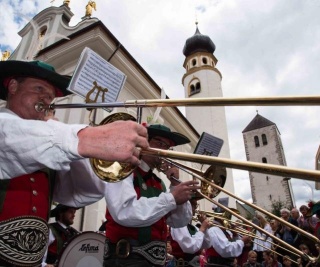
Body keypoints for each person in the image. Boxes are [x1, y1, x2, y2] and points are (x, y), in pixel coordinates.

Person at [0, 60, 149, 266]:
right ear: (13, 86)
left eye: (51, 97)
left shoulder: (47, 141)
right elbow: (10, 135)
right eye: (39, 89)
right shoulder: (6, 125)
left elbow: (85, 190)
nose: (47, 99)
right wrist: (91, 137)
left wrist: (108, 154)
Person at [103, 124, 200, 267]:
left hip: (155, 261)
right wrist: (171, 198)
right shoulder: (124, 169)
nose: (165, 151)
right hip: (127, 260)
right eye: (159, 143)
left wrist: (174, 184)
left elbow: (179, 221)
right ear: (143, 143)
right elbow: (125, 211)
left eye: (167, 147)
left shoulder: (159, 183)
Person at [169, 192, 211, 267]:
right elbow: (189, 247)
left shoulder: (193, 227)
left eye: (196, 205)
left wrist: (205, 228)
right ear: (186, 205)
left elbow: (207, 244)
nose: (196, 208)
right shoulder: (178, 225)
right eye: (193, 205)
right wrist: (202, 229)